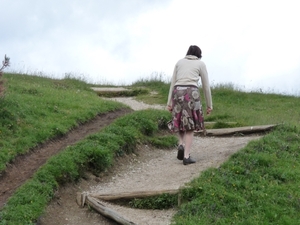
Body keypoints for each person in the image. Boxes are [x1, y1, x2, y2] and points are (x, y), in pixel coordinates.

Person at [167, 45, 213, 165]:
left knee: (179, 120)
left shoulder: (179, 62)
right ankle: (186, 156)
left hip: (177, 91)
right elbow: (206, 87)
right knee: (190, 125)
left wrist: (169, 103)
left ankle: (181, 143)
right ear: (199, 55)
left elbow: (172, 83)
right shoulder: (200, 64)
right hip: (191, 93)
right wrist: (209, 105)